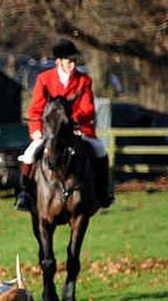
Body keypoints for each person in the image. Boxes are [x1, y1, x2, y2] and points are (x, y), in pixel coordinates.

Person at [15, 38, 113, 211]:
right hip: (50, 131)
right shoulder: (44, 79)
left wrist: (72, 120)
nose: (73, 65)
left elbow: (88, 109)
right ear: (58, 61)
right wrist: (36, 130)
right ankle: (25, 194)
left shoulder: (84, 80)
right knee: (29, 154)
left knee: (100, 150)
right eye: (69, 61)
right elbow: (35, 110)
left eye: (75, 61)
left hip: (77, 128)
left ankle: (103, 192)